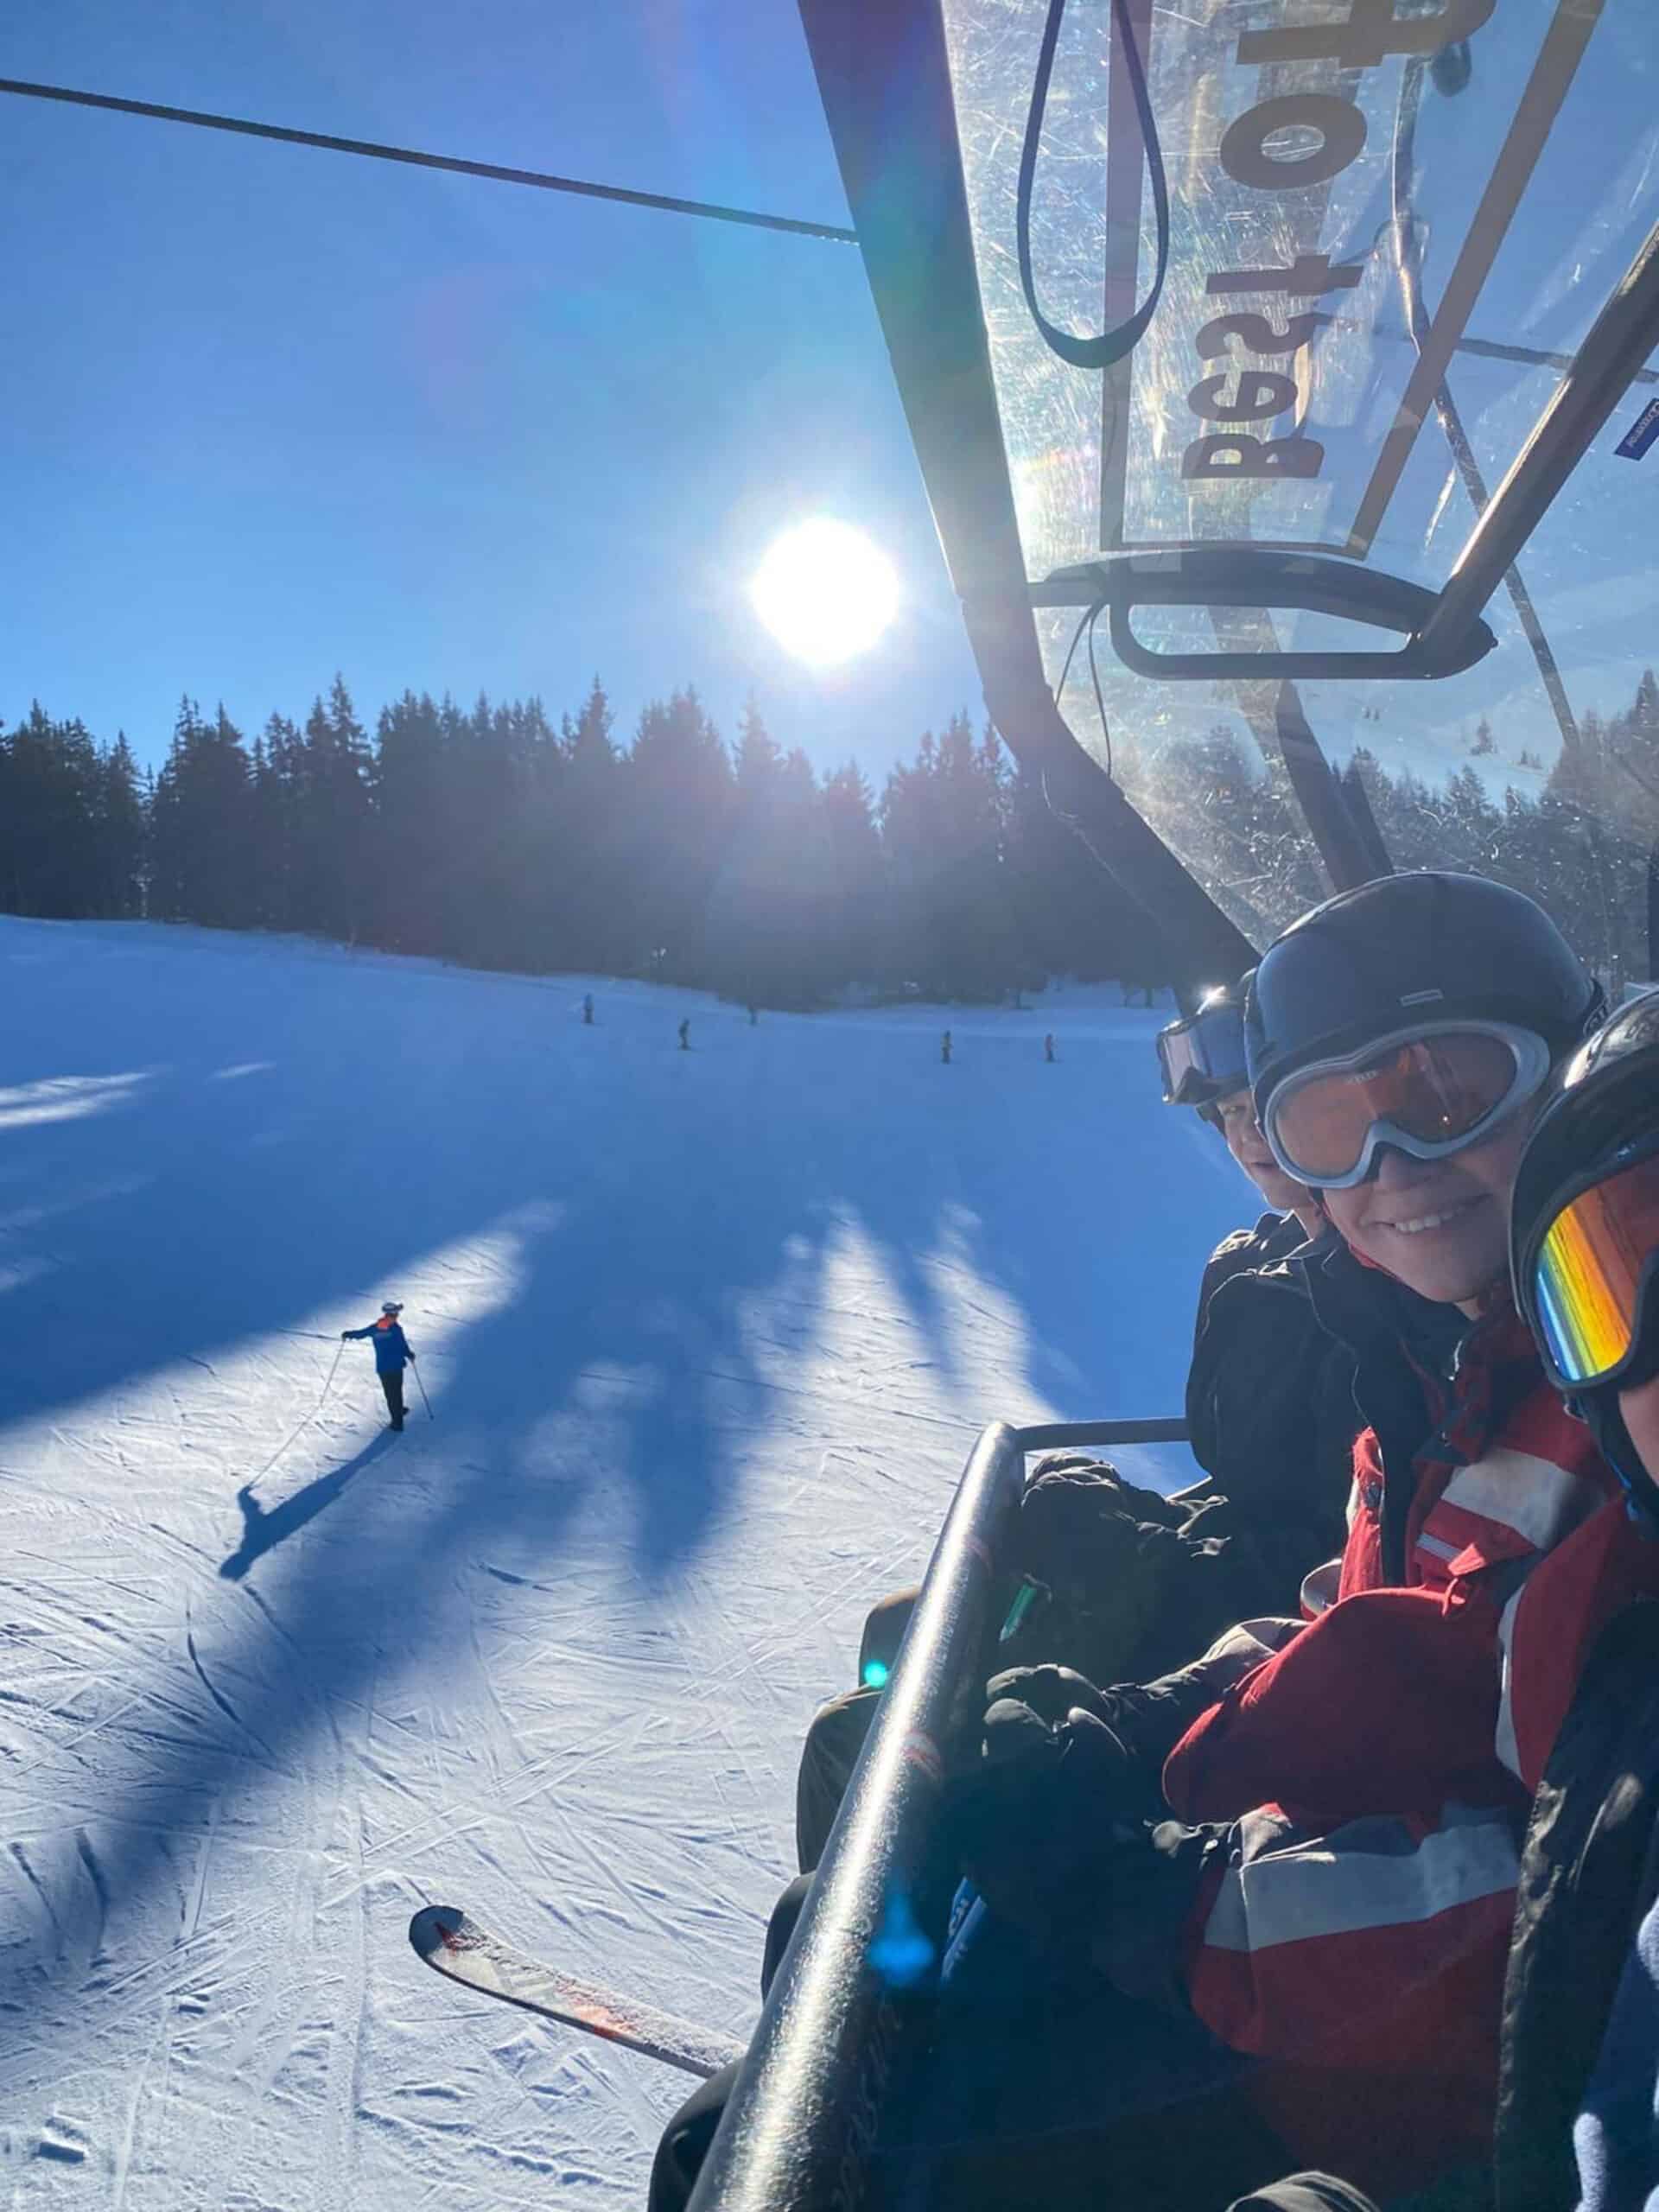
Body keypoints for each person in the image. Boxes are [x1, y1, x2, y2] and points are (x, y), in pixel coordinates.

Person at [651, 872, 1637, 2211]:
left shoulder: (1616, 1407)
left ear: (1571, 1081)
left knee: (793, 2140)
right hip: (1291, 1971)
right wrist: (1133, 1738)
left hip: (1396, 2090)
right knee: (863, 1903)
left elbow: (1548, 1896)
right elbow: (1351, 1631)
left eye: (1449, 1094)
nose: (1390, 1165)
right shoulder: (1433, 1371)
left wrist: (1158, 1904)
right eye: (1326, 1125)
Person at [342, 1300, 416, 1432]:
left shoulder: (376, 1328)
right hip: (393, 1367)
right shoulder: (395, 1329)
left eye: (397, 1315)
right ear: (389, 1315)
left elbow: (361, 1333)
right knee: (393, 1393)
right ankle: (397, 1422)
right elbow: (402, 1345)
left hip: (386, 1367)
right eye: (395, 1315)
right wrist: (408, 1353)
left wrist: (349, 1334)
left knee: (394, 1392)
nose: (397, 1317)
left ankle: (398, 1411)